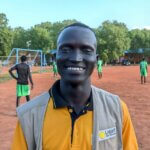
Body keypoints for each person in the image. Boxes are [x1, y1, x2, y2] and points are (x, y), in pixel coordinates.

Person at [11, 23, 138, 150]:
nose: (76, 58)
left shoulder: (117, 109)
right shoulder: (29, 116)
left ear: (96, 59)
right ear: (55, 58)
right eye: (66, 50)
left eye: (87, 51)